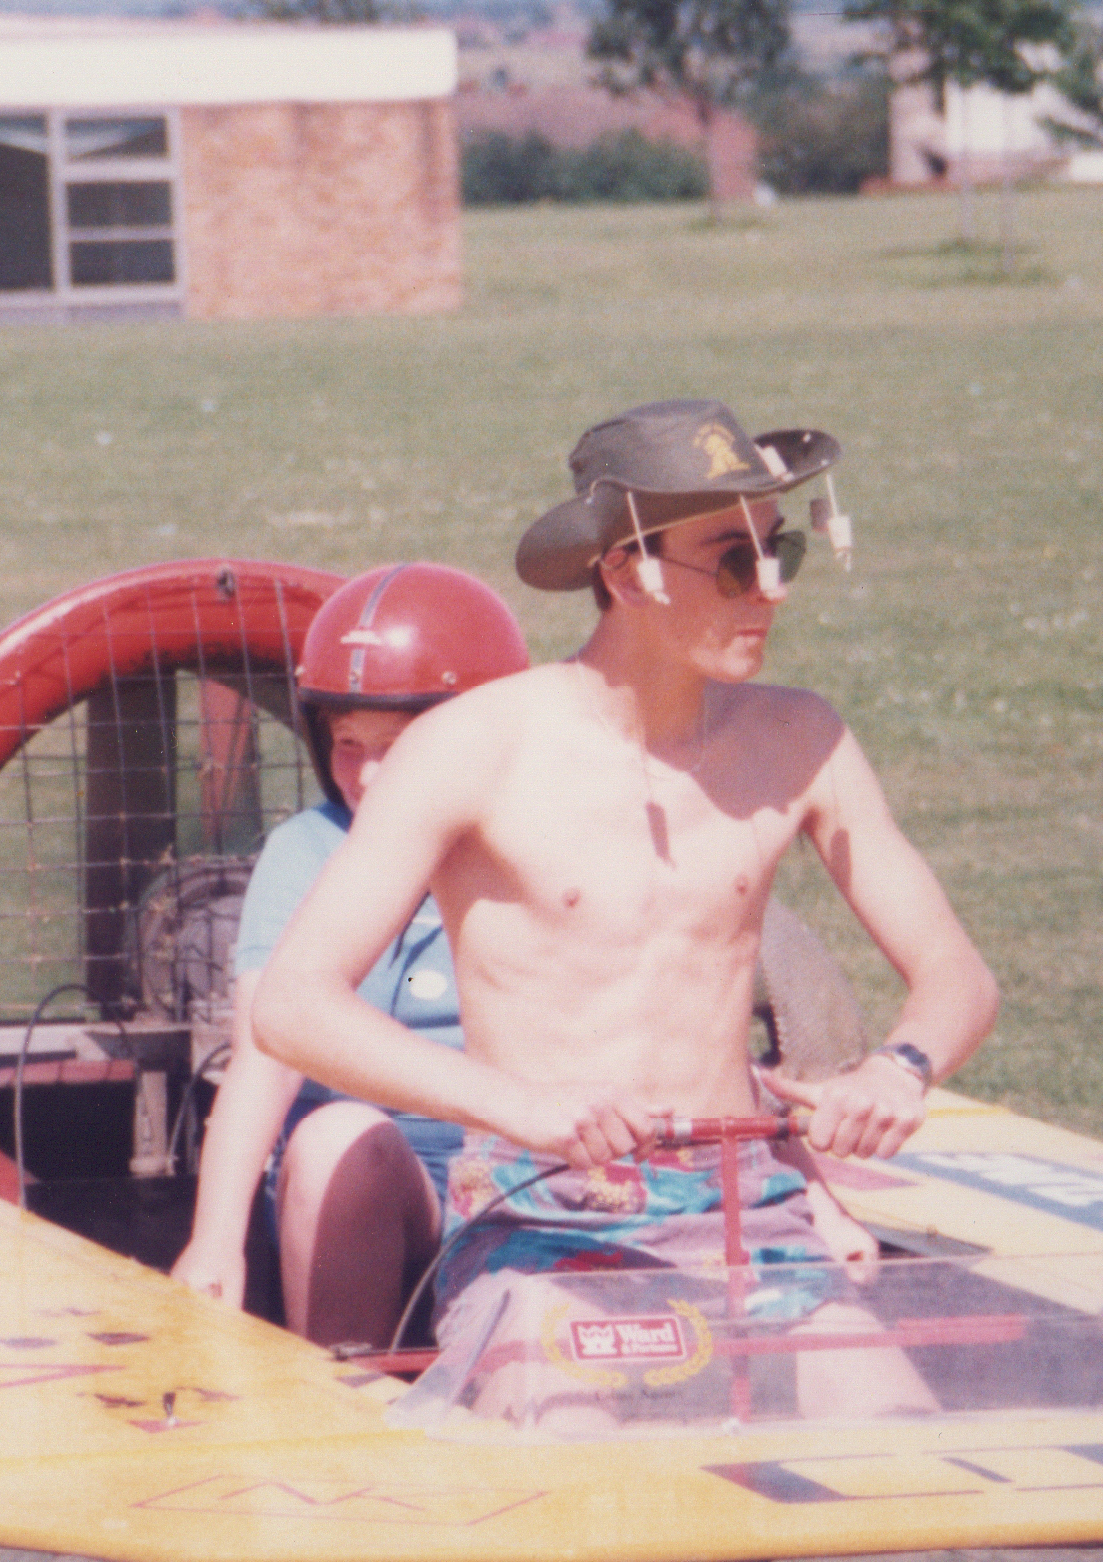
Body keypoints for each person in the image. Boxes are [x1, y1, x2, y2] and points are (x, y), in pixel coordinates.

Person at [251, 399, 999, 1407]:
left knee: (900, 1455)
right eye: (733, 561)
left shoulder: (802, 738)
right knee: (582, 1469)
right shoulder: (473, 747)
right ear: (624, 570)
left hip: (754, 1207)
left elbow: (955, 973)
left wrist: (903, 1068)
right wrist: (522, 1107)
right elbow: (294, 1004)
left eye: (782, 554)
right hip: (547, 1211)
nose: (770, 592)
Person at [169, 561, 528, 1345]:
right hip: (371, 1175)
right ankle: (344, 1394)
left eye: (400, 747)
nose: (368, 776)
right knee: (340, 1136)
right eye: (347, 744)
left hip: (523, 1163)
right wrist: (215, 1238)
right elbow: (263, 1058)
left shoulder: (543, 848)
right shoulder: (306, 851)